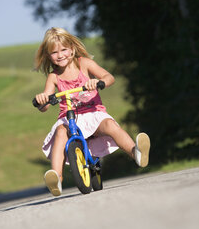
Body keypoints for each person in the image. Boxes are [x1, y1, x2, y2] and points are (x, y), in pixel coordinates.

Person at [35, 27, 150, 196]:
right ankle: (56, 179)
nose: (60, 55)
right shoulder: (53, 77)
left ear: (72, 49)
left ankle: (136, 153)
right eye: (54, 52)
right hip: (70, 119)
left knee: (110, 125)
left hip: (93, 113)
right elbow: (45, 106)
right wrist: (42, 100)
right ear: (48, 56)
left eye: (64, 50)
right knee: (60, 132)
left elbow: (109, 77)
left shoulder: (84, 64)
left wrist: (98, 82)